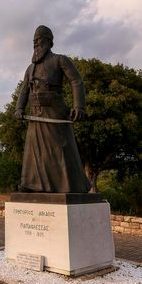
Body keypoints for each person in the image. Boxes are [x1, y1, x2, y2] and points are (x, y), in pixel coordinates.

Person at [13, 25, 91, 193]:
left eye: (39, 39)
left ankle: (70, 186)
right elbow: (24, 90)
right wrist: (19, 108)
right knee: (34, 152)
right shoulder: (30, 68)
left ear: (49, 41)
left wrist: (79, 106)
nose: (35, 43)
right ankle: (31, 184)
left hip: (55, 112)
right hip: (36, 114)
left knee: (60, 150)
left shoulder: (60, 60)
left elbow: (76, 80)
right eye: (34, 41)